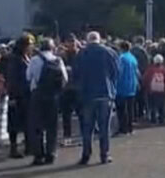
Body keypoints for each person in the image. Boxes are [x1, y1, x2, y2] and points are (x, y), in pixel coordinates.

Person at [76, 31, 119, 166]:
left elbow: (76, 74)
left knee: (87, 127)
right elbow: (116, 72)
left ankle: (86, 155)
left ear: (88, 40)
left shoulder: (81, 54)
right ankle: (104, 155)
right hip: (105, 93)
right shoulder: (109, 52)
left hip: (88, 94)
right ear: (99, 40)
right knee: (104, 126)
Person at [27, 38, 67, 166]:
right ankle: (51, 153)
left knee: (37, 126)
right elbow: (65, 79)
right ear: (52, 47)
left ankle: (38, 155)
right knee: (52, 126)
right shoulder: (58, 60)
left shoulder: (34, 60)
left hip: (37, 95)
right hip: (53, 96)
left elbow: (28, 76)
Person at [6, 35, 33, 158]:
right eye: (29, 44)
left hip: (26, 94)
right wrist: (12, 96)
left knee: (27, 120)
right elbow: (12, 79)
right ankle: (13, 149)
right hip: (17, 95)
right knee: (14, 123)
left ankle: (29, 146)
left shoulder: (26, 57)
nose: (31, 47)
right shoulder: (15, 59)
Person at [115, 41, 140, 134]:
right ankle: (130, 127)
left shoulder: (121, 58)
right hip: (132, 85)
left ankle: (123, 128)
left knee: (121, 109)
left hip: (122, 86)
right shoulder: (133, 58)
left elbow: (119, 72)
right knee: (130, 108)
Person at [144, 54, 165, 124]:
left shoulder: (150, 69)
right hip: (162, 90)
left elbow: (146, 79)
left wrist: (146, 87)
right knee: (161, 105)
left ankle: (153, 119)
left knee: (152, 105)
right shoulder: (163, 69)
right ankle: (161, 118)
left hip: (152, 90)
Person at [130, 36, 150, 121]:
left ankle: (134, 113)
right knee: (141, 95)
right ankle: (140, 113)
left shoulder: (131, 50)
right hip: (142, 75)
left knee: (133, 95)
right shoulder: (143, 52)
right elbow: (147, 63)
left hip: (132, 75)